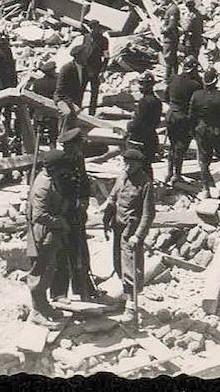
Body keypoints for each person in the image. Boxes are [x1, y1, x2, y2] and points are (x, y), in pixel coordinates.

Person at [50, 127, 105, 303]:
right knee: (62, 252)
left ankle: (84, 288)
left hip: (77, 212)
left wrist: (84, 200)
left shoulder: (78, 157)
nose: (81, 147)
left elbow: (83, 181)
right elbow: (61, 191)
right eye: (77, 144)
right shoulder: (60, 162)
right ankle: (58, 293)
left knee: (80, 251)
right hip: (63, 213)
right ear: (69, 146)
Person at [103, 146, 155, 326]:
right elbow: (113, 197)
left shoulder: (145, 183)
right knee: (118, 265)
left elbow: (148, 214)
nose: (127, 167)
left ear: (139, 165)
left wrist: (138, 236)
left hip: (131, 233)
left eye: (131, 164)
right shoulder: (122, 177)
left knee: (131, 269)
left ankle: (131, 309)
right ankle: (126, 298)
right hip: (118, 228)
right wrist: (106, 213)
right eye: (125, 163)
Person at [27, 149, 74, 325]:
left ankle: (43, 305)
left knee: (48, 270)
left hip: (49, 233)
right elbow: (38, 215)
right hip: (43, 233)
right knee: (40, 272)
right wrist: (60, 222)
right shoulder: (44, 185)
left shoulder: (48, 179)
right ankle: (37, 312)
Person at [188, 67, 220, 199]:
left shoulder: (196, 95)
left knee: (203, 161)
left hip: (202, 131)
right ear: (216, 80)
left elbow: (191, 116)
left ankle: (205, 189)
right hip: (218, 132)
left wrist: (194, 132)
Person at [164, 58, 202, 183]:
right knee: (181, 147)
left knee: (172, 145)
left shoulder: (173, 78)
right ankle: (177, 174)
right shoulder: (195, 84)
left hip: (171, 115)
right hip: (183, 118)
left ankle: (169, 172)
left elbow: (165, 97)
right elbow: (198, 104)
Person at [125, 71, 163, 161]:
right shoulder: (157, 101)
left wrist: (129, 126)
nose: (140, 87)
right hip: (151, 138)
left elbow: (138, 123)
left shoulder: (144, 101)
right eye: (140, 83)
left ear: (150, 85)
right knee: (147, 167)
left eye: (142, 84)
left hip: (140, 139)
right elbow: (156, 122)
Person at [0, 29, 18, 134]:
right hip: (1, 84)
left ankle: (7, 126)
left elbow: (12, 67)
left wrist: (15, 83)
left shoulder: (8, 51)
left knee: (8, 107)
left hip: (9, 82)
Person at [81, 19, 108, 115]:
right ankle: (78, 110)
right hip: (85, 68)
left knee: (94, 92)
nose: (93, 30)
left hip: (96, 69)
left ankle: (91, 113)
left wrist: (103, 70)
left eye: (95, 28)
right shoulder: (86, 37)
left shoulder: (104, 40)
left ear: (98, 28)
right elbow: (82, 51)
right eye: (91, 28)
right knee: (80, 90)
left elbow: (106, 56)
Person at [162, 0, 181, 81]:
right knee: (172, 57)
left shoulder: (173, 9)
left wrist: (164, 30)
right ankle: (173, 77)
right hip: (169, 37)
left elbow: (172, 25)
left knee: (169, 57)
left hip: (170, 37)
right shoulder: (170, 8)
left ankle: (168, 78)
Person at [183, 0, 205, 66]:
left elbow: (186, 28)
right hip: (198, 37)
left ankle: (191, 68)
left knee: (189, 54)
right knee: (195, 54)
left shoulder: (192, 16)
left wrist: (181, 23)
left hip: (191, 38)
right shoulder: (199, 14)